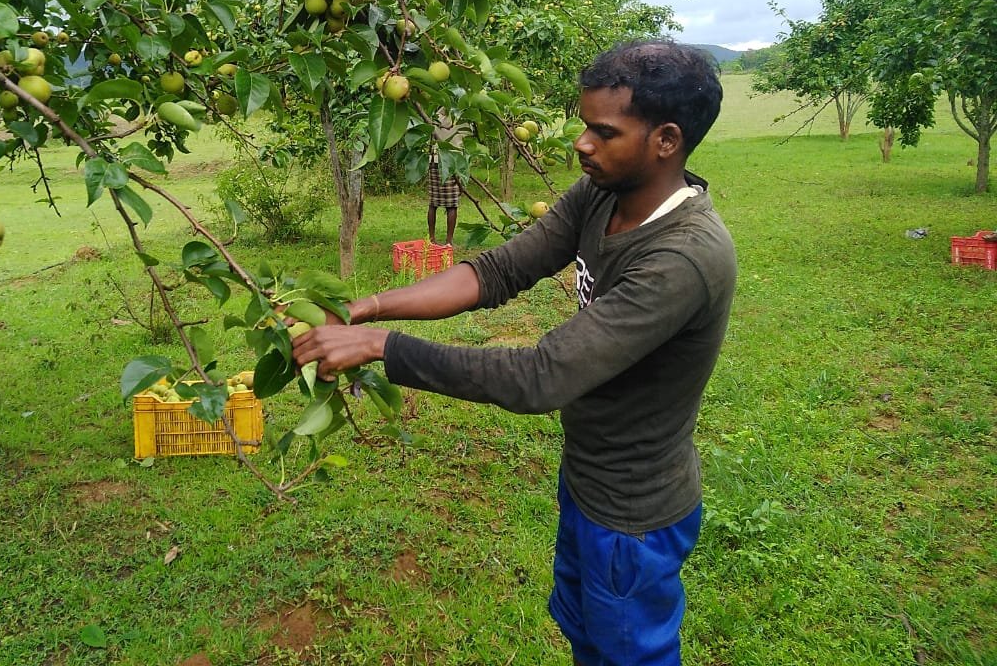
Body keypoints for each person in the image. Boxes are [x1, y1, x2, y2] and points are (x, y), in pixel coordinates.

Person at [292, 39, 736, 666]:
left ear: (666, 140)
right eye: (585, 125)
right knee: (589, 638)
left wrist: (378, 347)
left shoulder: (683, 258)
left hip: (632, 513)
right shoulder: (603, 195)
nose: (582, 143)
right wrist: (370, 307)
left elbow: (540, 377)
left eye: (603, 132)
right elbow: (497, 270)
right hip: (588, 479)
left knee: (630, 655)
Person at [427, 108, 464, 246]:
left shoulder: (434, 117)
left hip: (435, 161)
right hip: (454, 161)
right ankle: (449, 241)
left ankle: (431, 238)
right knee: (452, 205)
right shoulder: (461, 117)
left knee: (433, 203)